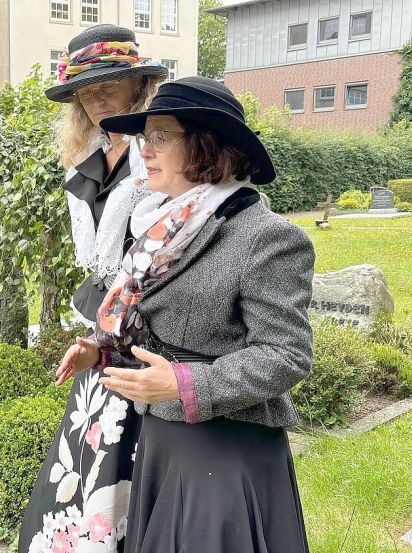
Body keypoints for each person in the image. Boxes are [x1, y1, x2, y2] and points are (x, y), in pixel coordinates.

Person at [57, 76, 314, 552]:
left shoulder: (267, 237)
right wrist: (103, 351)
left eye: (159, 136)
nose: (144, 150)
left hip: (225, 448)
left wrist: (184, 384)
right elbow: (158, 327)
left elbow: (287, 354)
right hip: (161, 439)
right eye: (143, 137)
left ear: (205, 147)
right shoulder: (161, 226)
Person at [19, 24, 168, 553]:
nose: (97, 97)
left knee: (136, 464)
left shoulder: (159, 150)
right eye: (86, 90)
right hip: (103, 329)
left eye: (108, 84)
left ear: (137, 86)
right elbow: (98, 259)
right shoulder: (91, 155)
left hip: (151, 326)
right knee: (91, 454)